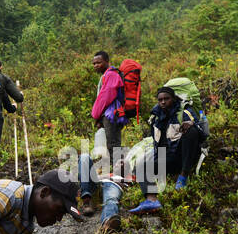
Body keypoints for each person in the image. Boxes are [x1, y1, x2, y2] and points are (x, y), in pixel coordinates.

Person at [128, 86, 206, 215]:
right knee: (141, 166)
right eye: (160, 100)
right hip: (167, 156)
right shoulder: (156, 118)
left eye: (166, 99)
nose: (163, 102)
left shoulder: (185, 112)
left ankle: (183, 177)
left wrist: (192, 125)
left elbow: (203, 133)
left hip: (184, 154)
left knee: (191, 132)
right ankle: (151, 200)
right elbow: (156, 142)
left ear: (174, 99)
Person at [80, 51, 125, 216]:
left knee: (113, 143)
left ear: (106, 61)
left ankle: (117, 175)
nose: (95, 66)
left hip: (111, 114)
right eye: (93, 63)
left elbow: (105, 97)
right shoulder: (107, 75)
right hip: (108, 114)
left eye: (98, 62)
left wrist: (95, 114)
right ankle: (115, 171)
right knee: (110, 143)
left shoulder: (112, 74)